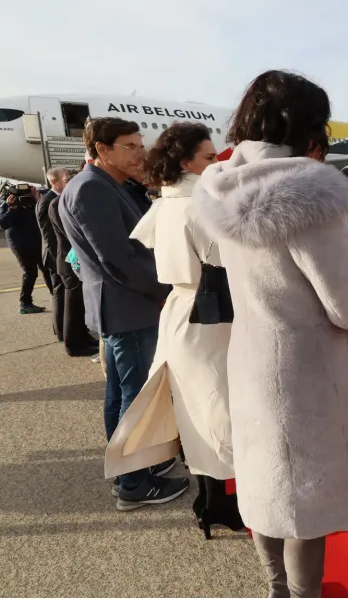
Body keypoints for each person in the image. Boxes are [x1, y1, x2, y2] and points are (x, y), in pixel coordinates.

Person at [192, 70, 348, 598]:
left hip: (251, 358)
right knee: (305, 503)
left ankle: (274, 588)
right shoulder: (309, 197)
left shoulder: (220, 186)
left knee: (265, 487)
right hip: (304, 374)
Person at [111, 121, 243, 537]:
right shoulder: (198, 205)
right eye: (208, 157)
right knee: (217, 409)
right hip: (209, 313)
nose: (216, 161)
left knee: (197, 409)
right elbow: (229, 260)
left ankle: (212, 500)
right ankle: (218, 503)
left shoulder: (166, 201)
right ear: (186, 162)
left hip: (182, 308)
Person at [59, 117, 185, 510]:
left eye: (139, 143)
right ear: (101, 150)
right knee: (134, 398)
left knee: (120, 394)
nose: (139, 152)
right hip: (128, 307)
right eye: (129, 146)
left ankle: (135, 466)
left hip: (124, 307)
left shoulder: (104, 185)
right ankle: (133, 483)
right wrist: (165, 292)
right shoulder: (91, 189)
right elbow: (119, 259)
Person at [47, 171, 98, 358]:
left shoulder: (63, 201)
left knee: (79, 306)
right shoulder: (57, 203)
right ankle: (74, 344)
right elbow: (68, 234)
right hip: (69, 261)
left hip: (72, 259)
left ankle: (83, 338)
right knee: (73, 306)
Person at [0, 186, 51, 315]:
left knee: (47, 269)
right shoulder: (9, 205)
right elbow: (3, 224)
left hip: (37, 243)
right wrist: (12, 208)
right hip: (21, 245)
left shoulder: (33, 203)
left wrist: (37, 199)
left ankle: (57, 295)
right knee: (30, 272)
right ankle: (25, 303)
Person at [36, 168, 68, 341]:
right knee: (60, 295)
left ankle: (65, 329)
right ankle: (62, 332)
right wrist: (59, 261)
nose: (69, 180)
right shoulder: (47, 201)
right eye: (66, 178)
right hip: (55, 257)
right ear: (54, 182)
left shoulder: (55, 199)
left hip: (59, 256)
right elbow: (49, 236)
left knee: (64, 295)